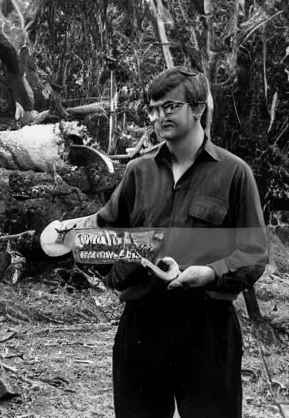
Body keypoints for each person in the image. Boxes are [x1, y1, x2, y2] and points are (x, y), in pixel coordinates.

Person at [94, 66, 269, 418]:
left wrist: (209, 272)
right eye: (154, 109)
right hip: (141, 326)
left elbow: (254, 252)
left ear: (198, 108)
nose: (160, 116)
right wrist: (115, 270)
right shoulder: (138, 172)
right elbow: (105, 235)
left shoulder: (234, 173)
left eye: (169, 106)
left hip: (207, 327)